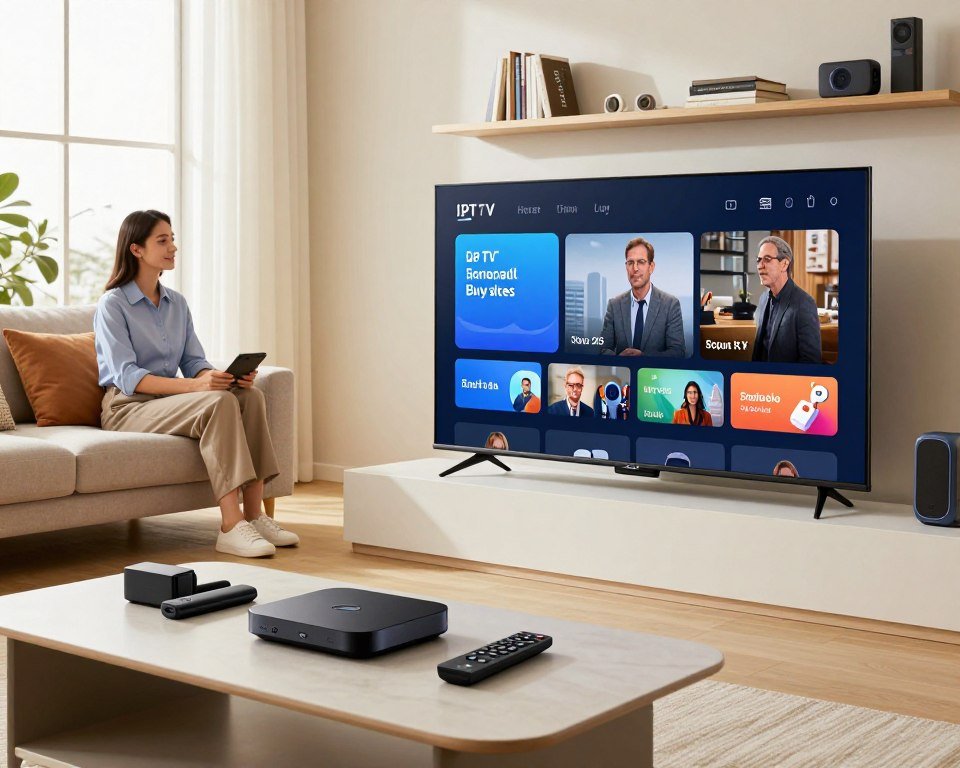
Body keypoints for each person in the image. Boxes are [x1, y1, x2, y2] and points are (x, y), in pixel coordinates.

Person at [93, 210, 299, 558]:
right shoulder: (112, 305)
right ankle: (230, 526)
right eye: (162, 240)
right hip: (127, 407)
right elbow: (127, 377)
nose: (173, 246)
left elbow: (193, 363)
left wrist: (221, 378)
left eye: (172, 238)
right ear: (136, 250)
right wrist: (199, 388)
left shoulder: (177, 304)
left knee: (249, 396)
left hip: (166, 403)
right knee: (218, 403)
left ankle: (255, 515)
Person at [600, 236, 685, 357]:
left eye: (641, 262)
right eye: (630, 263)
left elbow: (678, 352)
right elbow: (603, 349)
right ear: (626, 267)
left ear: (651, 267)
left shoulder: (670, 304)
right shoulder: (614, 305)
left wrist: (644, 357)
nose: (635, 268)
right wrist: (618, 359)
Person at [751, 236, 822, 363]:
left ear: (784, 264)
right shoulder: (763, 299)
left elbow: (811, 361)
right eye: (758, 260)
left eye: (767, 259)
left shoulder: (804, 303)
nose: (760, 266)